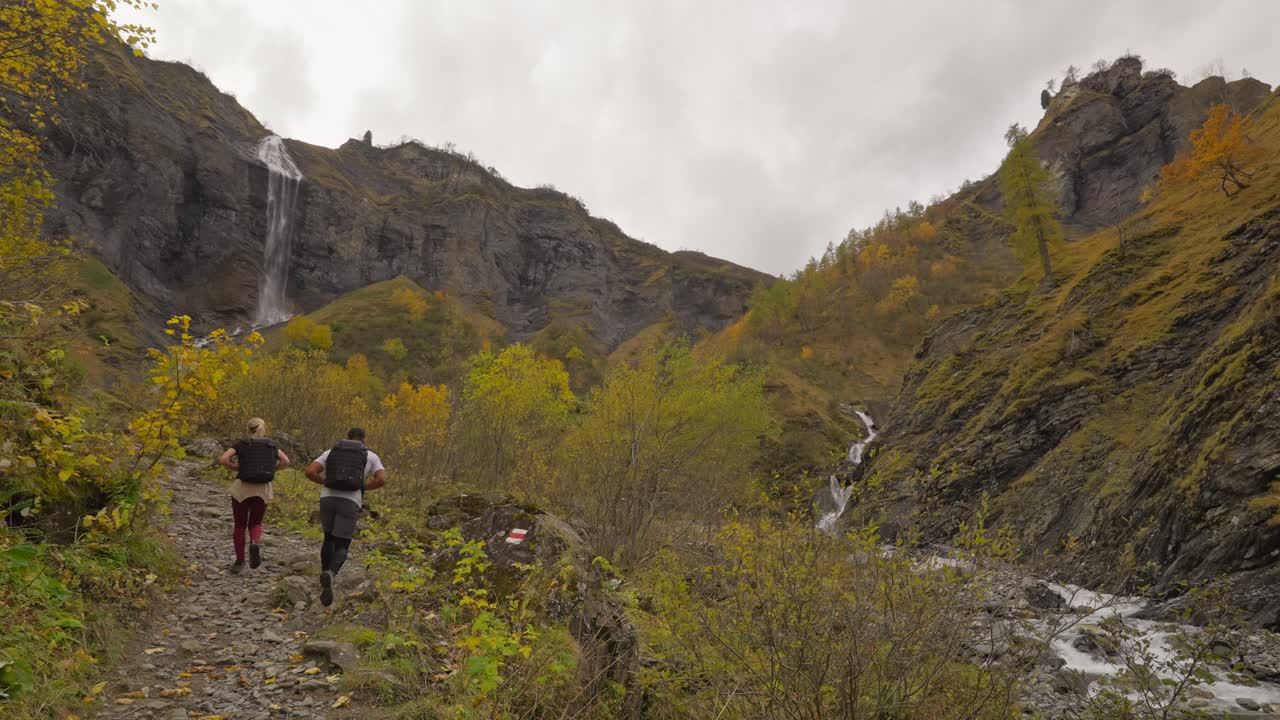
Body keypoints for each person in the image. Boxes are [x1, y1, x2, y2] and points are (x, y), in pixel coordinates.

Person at [304, 427, 386, 607]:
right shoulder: (370, 456)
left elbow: (310, 471)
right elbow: (381, 479)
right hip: (350, 501)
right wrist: (364, 487)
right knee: (342, 543)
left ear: (347, 436)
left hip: (327, 498)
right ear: (363, 439)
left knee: (328, 538)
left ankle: (325, 573)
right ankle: (331, 574)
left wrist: (324, 482)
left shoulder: (330, 452)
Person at [217, 417, 290, 574]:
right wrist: (273, 470)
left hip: (242, 488)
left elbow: (223, 459)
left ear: (248, 429)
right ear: (262, 429)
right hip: (262, 489)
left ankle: (239, 561)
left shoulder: (242, 443)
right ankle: (254, 542)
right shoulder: (270, 444)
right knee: (256, 523)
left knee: (240, 525)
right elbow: (286, 461)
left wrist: (235, 467)